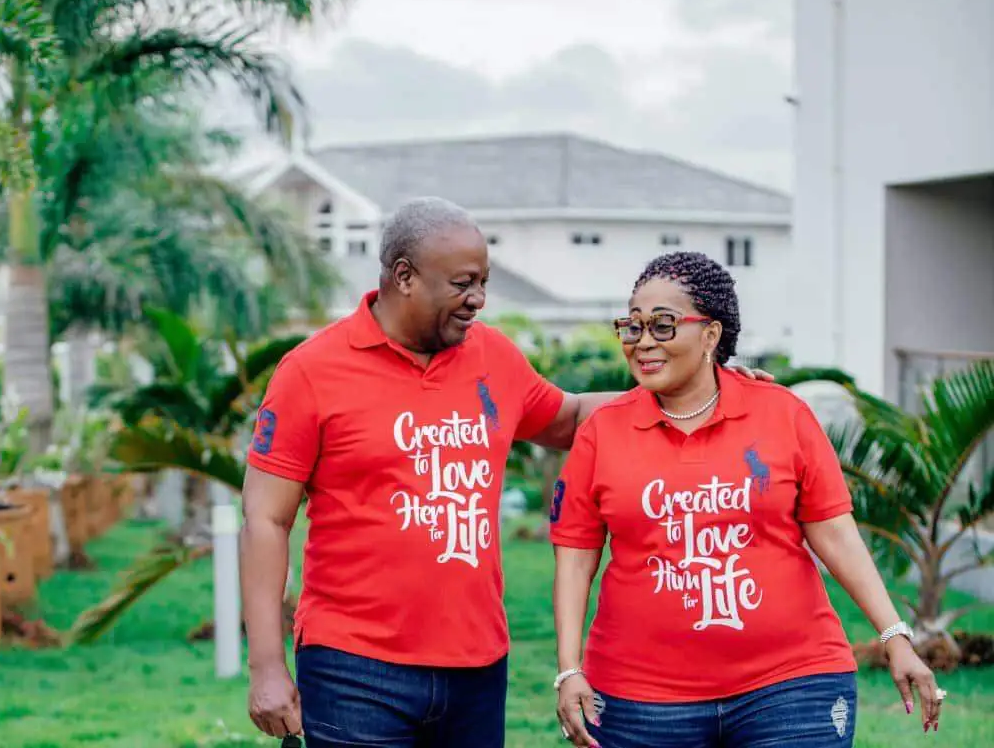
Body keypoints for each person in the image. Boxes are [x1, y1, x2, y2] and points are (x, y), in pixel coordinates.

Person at [240, 198, 769, 747]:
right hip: (354, 666)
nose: (478, 300)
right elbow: (265, 520)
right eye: (463, 284)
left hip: (477, 665)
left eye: (484, 282)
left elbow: (568, 417)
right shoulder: (312, 371)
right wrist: (266, 667)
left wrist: (705, 387)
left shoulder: (491, 355)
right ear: (405, 277)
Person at [550, 251, 944, 748]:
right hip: (641, 700)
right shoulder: (602, 433)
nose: (643, 341)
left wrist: (895, 637)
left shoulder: (781, 413)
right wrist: (569, 670)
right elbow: (574, 560)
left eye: (663, 325)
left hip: (792, 687)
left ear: (711, 334)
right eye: (632, 327)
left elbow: (835, 532)